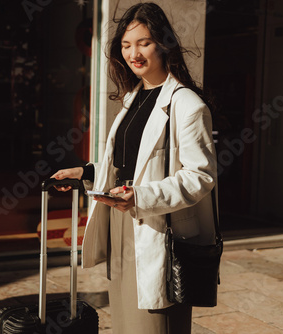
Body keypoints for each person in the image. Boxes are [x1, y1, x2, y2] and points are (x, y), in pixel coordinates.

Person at [50, 2, 218, 334]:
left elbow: (201, 176)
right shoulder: (132, 98)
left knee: (155, 323)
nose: (133, 53)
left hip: (157, 225)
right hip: (121, 223)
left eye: (144, 42)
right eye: (126, 45)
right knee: (127, 321)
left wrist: (140, 196)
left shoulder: (187, 104)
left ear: (164, 43)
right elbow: (132, 165)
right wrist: (85, 173)